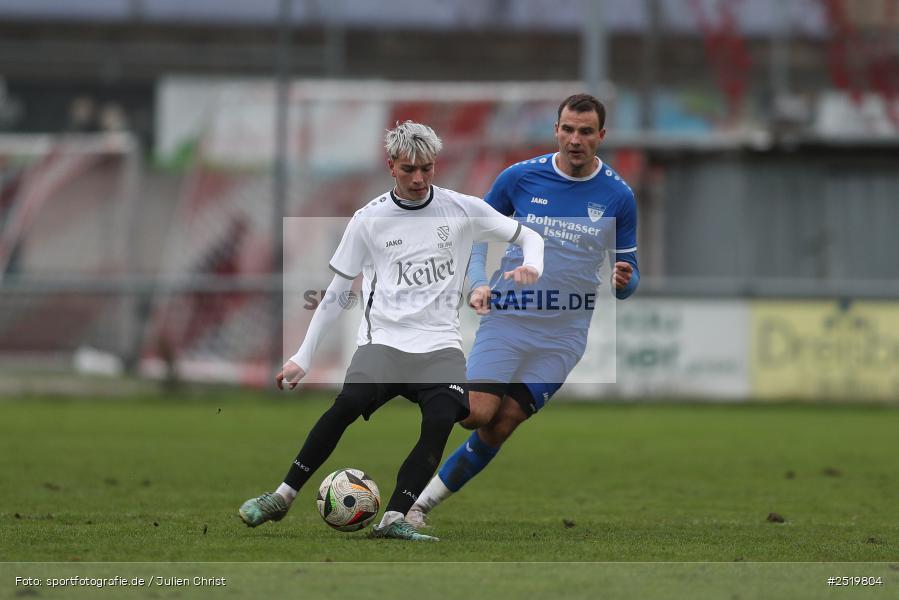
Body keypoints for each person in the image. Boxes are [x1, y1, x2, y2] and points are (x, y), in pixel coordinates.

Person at [238, 121, 544, 541]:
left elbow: (529, 235)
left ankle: (393, 518)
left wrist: (533, 265)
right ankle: (282, 496)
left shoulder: (460, 208)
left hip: (440, 346)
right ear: (391, 166)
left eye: (427, 169)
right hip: (383, 342)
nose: (419, 178)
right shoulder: (369, 219)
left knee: (441, 418)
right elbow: (335, 293)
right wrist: (302, 357)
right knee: (348, 404)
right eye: (408, 169)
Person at [407, 93, 639, 526]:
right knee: (476, 413)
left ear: (600, 136)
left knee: (502, 424)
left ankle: (418, 507)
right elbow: (477, 234)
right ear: (556, 130)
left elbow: (630, 277)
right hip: (509, 319)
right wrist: (476, 282)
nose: (575, 139)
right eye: (567, 129)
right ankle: (426, 389)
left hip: (564, 335)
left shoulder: (618, 197)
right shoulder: (521, 178)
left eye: (585, 131)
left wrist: (624, 281)